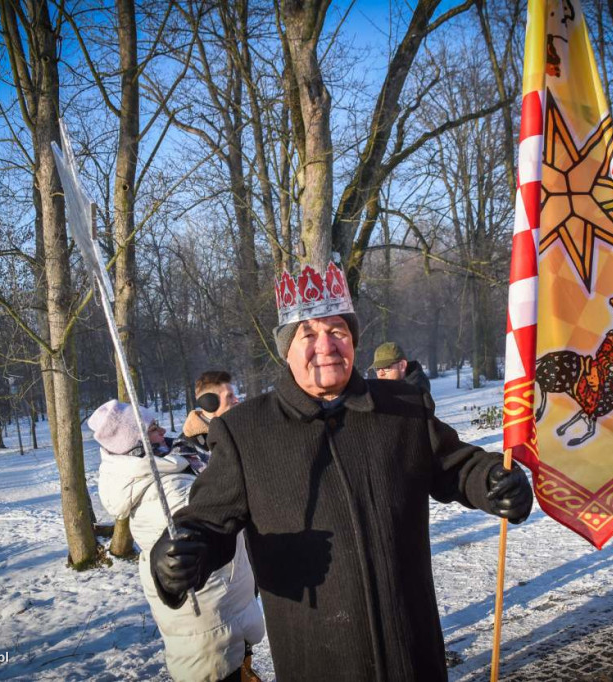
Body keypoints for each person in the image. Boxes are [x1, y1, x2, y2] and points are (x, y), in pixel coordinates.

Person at [150, 262, 533, 681]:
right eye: (308, 334)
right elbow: (207, 524)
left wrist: (494, 479)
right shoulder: (246, 432)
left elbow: (456, 466)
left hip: (412, 652)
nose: (326, 346)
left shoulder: (402, 407)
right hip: (319, 659)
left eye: (338, 331)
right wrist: (176, 556)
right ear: (287, 351)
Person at [90, 400, 265, 682]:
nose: (163, 432)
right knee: (223, 671)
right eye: (153, 429)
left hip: (222, 606)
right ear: (135, 444)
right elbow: (215, 526)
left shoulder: (167, 468)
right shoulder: (166, 490)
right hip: (212, 615)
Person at [180, 371, 241, 457]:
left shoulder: (241, 428)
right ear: (209, 401)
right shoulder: (188, 447)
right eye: (229, 396)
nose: (236, 400)